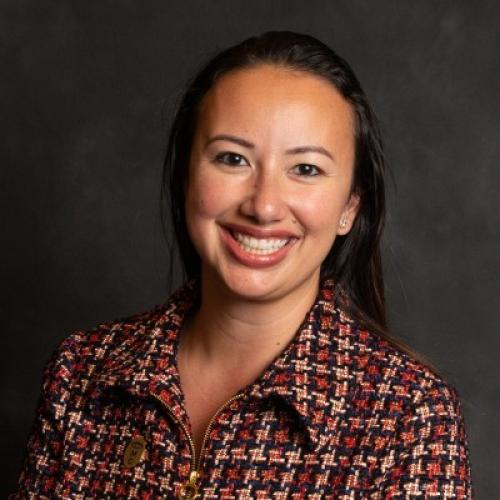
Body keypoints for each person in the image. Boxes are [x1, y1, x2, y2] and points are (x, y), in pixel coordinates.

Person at [13, 31, 472, 498]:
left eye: (306, 169)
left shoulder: (408, 415)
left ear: (349, 207)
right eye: (233, 159)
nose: (264, 205)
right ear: (187, 178)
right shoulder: (82, 372)